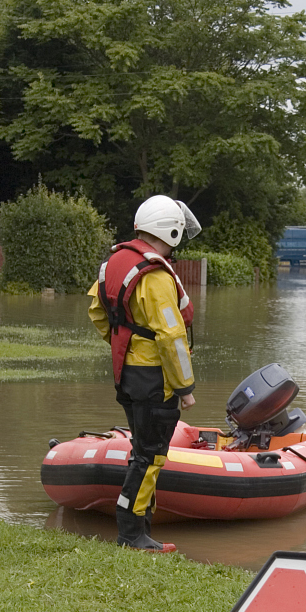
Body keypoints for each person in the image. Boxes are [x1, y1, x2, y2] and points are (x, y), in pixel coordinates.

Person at [88, 195, 201, 551]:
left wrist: (125, 343)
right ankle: (132, 533)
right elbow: (171, 336)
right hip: (155, 379)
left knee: (142, 451)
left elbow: (98, 311)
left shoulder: (113, 263)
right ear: (171, 231)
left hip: (127, 374)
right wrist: (185, 388)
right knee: (150, 456)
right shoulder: (156, 276)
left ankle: (140, 529)